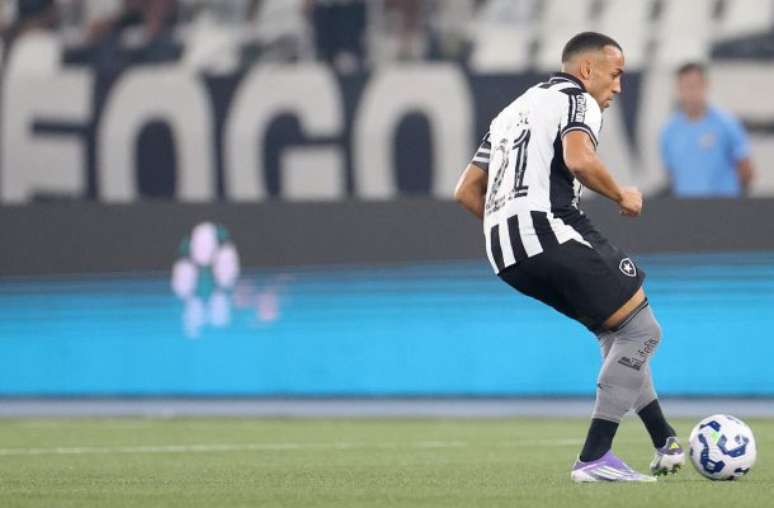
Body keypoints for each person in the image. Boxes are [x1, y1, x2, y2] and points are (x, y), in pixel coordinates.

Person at [454, 32, 684, 482]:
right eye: (615, 74)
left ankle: (664, 439)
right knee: (642, 330)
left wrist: (510, 224)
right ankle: (595, 457)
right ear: (587, 70)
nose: (618, 86)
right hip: (548, 228)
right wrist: (621, 194)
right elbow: (579, 160)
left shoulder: (511, 112)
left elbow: (465, 191)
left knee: (617, 331)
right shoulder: (577, 100)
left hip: (503, 251)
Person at [661, 62, 754, 197]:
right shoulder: (669, 131)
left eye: (695, 86)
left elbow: (746, 169)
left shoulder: (726, 124)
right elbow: (672, 174)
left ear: (706, 86)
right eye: (686, 87)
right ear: (678, 89)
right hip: (687, 206)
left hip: (723, 205)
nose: (691, 93)